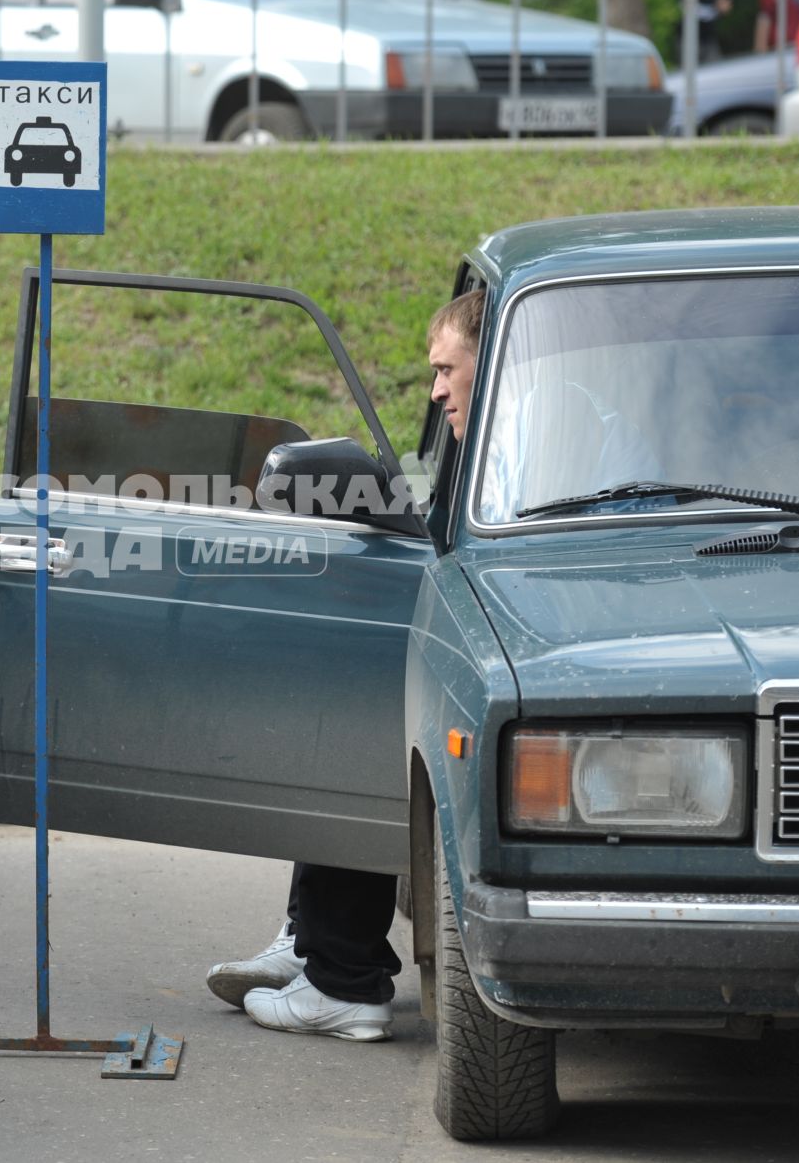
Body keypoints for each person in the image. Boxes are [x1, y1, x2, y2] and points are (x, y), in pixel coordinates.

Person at [204, 287, 486, 1044]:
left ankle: (342, 977)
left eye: (446, 371)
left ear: (489, 364)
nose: (434, 389)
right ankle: (313, 941)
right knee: (347, 666)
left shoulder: (532, 444)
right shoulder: (494, 442)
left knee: (353, 703)